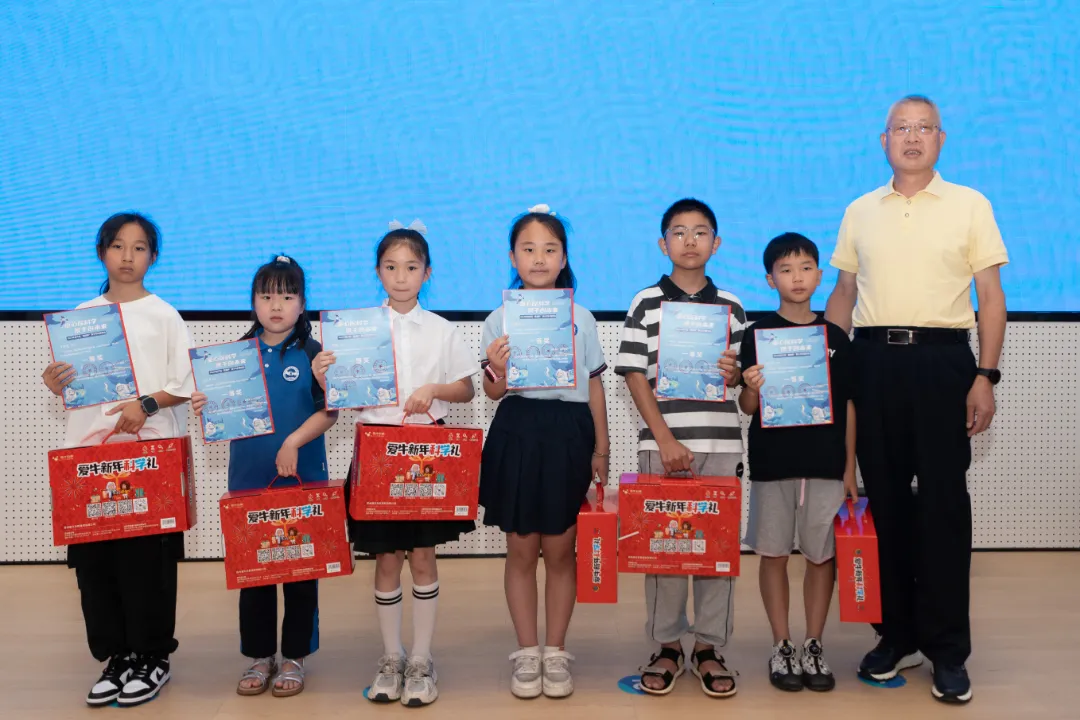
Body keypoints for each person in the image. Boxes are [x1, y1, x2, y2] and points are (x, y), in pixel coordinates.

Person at [824, 95, 1008, 704]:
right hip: (873, 362)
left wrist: (985, 375)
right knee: (885, 505)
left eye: (923, 127)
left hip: (943, 363)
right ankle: (895, 634)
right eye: (900, 128)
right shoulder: (860, 211)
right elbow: (844, 293)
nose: (911, 137)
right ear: (883, 140)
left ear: (941, 138)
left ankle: (948, 650)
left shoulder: (971, 204)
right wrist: (825, 367)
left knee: (944, 508)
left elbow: (990, 296)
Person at [41, 212, 193, 706]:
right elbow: (74, 389)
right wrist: (55, 382)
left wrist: (144, 405)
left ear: (153, 256)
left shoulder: (164, 315)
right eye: (118, 246)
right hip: (90, 458)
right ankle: (117, 656)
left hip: (149, 457)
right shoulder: (80, 316)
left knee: (147, 563)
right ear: (101, 252)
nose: (128, 257)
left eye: (139, 247)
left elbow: (183, 384)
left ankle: (152, 657)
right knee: (96, 566)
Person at [332, 221, 478, 707]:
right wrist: (329, 379)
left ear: (427, 273)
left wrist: (433, 390)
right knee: (386, 558)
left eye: (411, 268)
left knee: (422, 556)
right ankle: (391, 657)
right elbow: (342, 394)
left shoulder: (440, 328)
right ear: (378, 271)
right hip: (376, 454)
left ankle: (421, 658)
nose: (401, 277)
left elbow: (466, 388)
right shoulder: (358, 330)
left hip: (426, 453)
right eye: (391, 267)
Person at [614, 198, 744, 699]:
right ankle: (667, 646)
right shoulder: (645, 302)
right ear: (662, 243)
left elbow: (741, 380)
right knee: (664, 548)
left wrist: (736, 373)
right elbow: (633, 373)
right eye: (679, 232)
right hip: (662, 444)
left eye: (701, 232)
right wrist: (665, 438)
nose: (690, 241)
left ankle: (709, 647)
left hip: (721, 442)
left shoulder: (732, 306)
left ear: (717, 242)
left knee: (716, 550)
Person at [192, 255, 338, 698]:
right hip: (249, 479)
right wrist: (207, 407)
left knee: (300, 571)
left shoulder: (315, 354)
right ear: (253, 301)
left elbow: (330, 411)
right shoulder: (233, 355)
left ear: (303, 304)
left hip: (302, 478)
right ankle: (259, 655)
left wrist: (293, 442)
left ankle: (295, 656)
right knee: (253, 573)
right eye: (267, 296)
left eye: (288, 297)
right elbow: (223, 415)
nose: (277, 306)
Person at [479, 204, 610, 699]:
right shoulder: (498, 319)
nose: (539, 258)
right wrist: (496, 368)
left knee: (559, 550)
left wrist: (602, 446)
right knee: (520, 550)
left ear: (564, 258)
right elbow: (493, 392)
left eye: (550, 249)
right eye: (528, 249)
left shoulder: (582, 318)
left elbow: (594, 386)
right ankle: (527, 652)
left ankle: (556, 652)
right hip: (517, 431)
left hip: (568, 434)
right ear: (513, 257)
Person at [738, 232, 858, 693]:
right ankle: (781, 644)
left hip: (826, 464)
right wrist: (752, 386)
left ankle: (813, 643)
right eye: (786, 270)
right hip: (773, 462)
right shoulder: (757, 335)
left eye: (806, 267)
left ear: (820, 275)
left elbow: (848, 405)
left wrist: (849, 467)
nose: (797, 277)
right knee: (772, 554)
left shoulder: (835, 338)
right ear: (770, 280)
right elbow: (748, 406)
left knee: (821, 557)